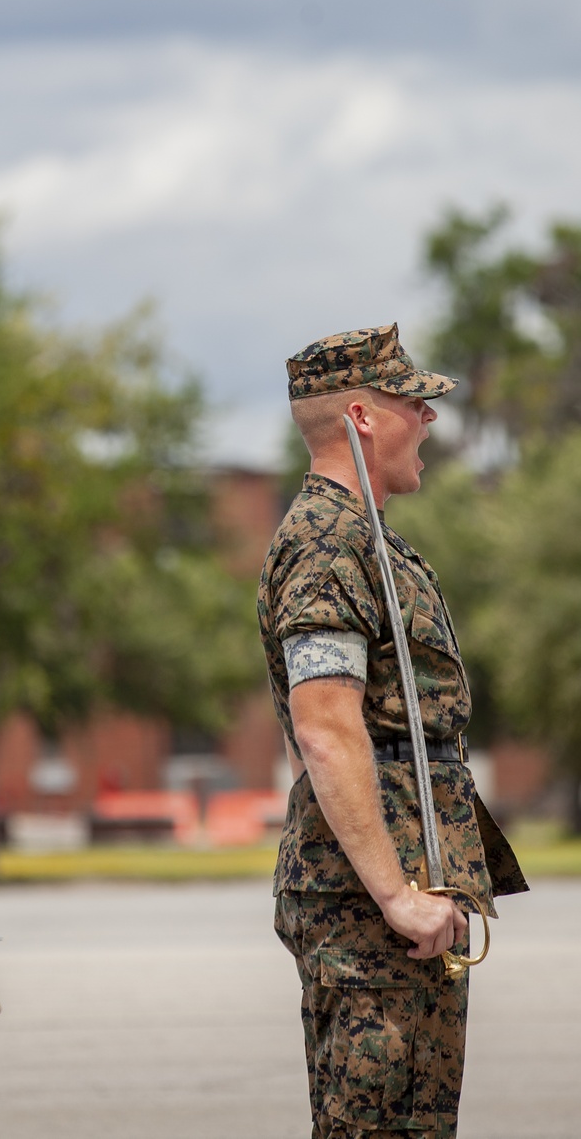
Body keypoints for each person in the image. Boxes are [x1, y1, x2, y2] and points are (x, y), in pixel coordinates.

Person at [258, 324, 527, 1139]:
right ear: (364, 417)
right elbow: (328, 731)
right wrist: (395, 895)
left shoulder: (369, 542)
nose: (432, 421)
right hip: (369, 909)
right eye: (416, 403)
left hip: (406, 892)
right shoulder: (327, 546)